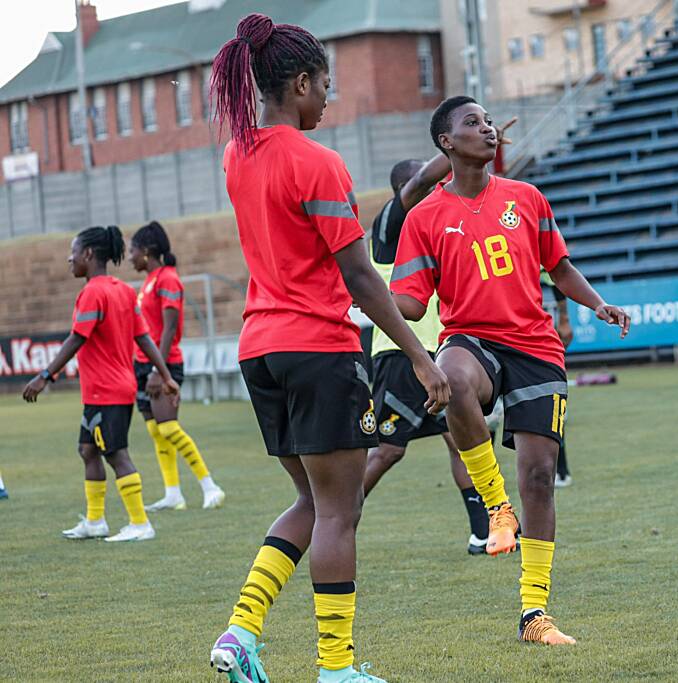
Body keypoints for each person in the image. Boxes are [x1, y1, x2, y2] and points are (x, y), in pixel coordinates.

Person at [206, 15, 448, 683]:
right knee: (342, 509)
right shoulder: (317, 161)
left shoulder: (237, 154)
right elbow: (360, 275)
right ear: (302, 82)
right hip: (317, 347)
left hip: (260, 349)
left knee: (313, 503)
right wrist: (421, 357)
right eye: (326, 86)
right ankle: (337, 670)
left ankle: (241, 630)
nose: (328, 99)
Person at [390, 95, 630, 646]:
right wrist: (363, 295)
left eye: (489, 121)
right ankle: (497, 508)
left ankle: (534, 614)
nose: (488, 129)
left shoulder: (527, 198)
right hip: (472, 340)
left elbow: (559, 266)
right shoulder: (424, 216)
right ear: (446, 143)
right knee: (449, 379)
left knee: (541, 477)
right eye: (472, 123)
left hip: (537, 348)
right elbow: (410, 302)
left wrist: (597, 305)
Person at [362, 117, 516, 556]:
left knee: (463, 439)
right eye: (426, 180)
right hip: (398, 353)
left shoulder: (438, 222)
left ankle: (482, 530)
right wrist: (458, 152)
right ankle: (337, 516)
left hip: (438, 352)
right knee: (389, 450)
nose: (435, 186)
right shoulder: (393, 221)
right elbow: (424, 181)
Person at [22, 226, 180, 542]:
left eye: (74, 252)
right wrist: (166, 375)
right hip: (110, 389)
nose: (70, 259)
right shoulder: (122, 289)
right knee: (87, 449)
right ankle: (95, 521)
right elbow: (144, 338)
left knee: (116, 454)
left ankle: (140, 523)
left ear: (89, 254)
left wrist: (44, 376)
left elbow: (77, 338)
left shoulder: (93, 292)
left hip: (106, 392)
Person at [129, 221, 225, 511]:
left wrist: (161, 371)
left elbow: (169, 327)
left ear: (146, 251)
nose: (130, 257)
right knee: (156, 432)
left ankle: (210, 486)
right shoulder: (150, 280)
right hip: (145, 365)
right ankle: (173, 493)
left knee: (169, 428)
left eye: (132, 250)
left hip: (164, 364)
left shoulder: (168, 279)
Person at [541, 271, 574, 487]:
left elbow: (556, 274)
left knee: (549, 401)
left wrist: (564, 318)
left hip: (538, 320)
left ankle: (560, 470)